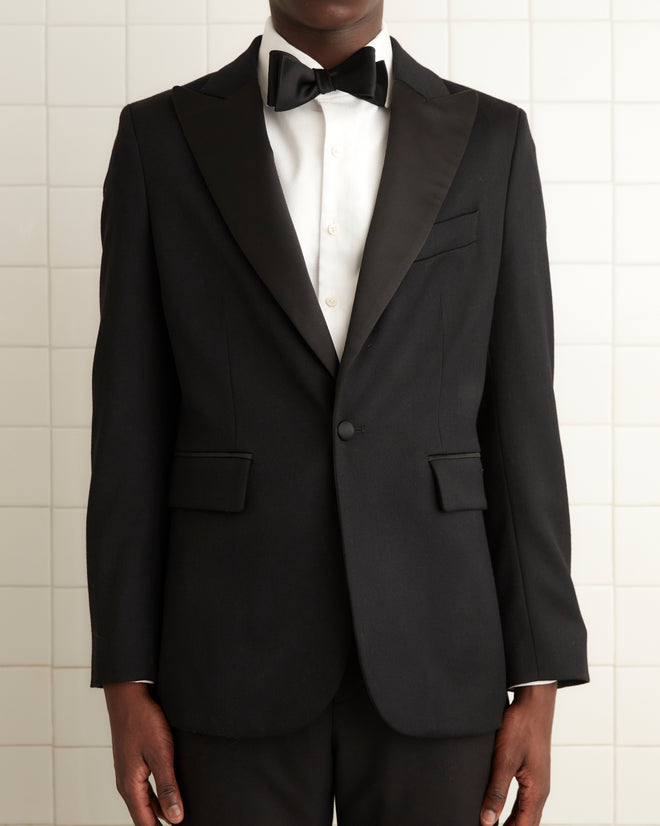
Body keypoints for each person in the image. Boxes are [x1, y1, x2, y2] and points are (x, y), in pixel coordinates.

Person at [86, 1, 589, 824]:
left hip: (441, 652)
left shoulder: (491, 139)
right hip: (226, 655)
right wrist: (123, 676)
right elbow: (129, 429)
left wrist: (541, 677)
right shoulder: (161, 139)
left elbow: (523, 421)